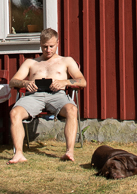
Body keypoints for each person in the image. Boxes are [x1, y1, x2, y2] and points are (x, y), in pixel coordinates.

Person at [7, 28, 87, 164]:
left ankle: (69, 151)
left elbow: (82, 81)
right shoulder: (30, 63)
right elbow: (12, 82)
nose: (48, 50)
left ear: (57, 43)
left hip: (57, 95)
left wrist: (65, 82)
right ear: (40, 44)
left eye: (51, 46)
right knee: (15, 113)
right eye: (45, 47)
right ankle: (18, 154)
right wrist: (25, 83)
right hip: (34, 96)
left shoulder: (66, 61)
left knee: (72, 110)